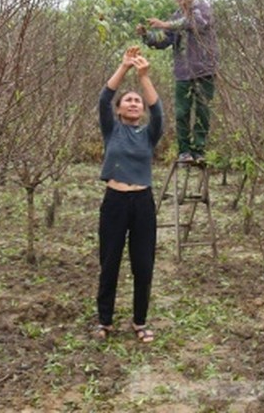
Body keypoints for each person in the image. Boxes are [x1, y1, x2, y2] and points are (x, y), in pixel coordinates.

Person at [95, 45, 162, 343]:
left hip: (143, 204)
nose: (134, 103)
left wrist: (144, 77)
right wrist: (124, 68)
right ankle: (104, 320)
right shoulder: (112, 130)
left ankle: (140, 321)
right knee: (109, 261)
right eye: (129, 100)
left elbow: (158, 110)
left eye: (138, 101)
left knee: (143, 264)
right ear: (120, 109)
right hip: (115, 202)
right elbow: (103, 98)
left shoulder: (149, 133)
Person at [138, 0, 219, 164]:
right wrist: (146, 35)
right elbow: (163, 40)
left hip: (204, 69)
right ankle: (184, 151)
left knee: (202, 111)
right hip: (183, 72)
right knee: (182, 112)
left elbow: (194, 24)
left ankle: (199, 150)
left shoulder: (202, 9)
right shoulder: (174, 17)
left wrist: (164, 24)